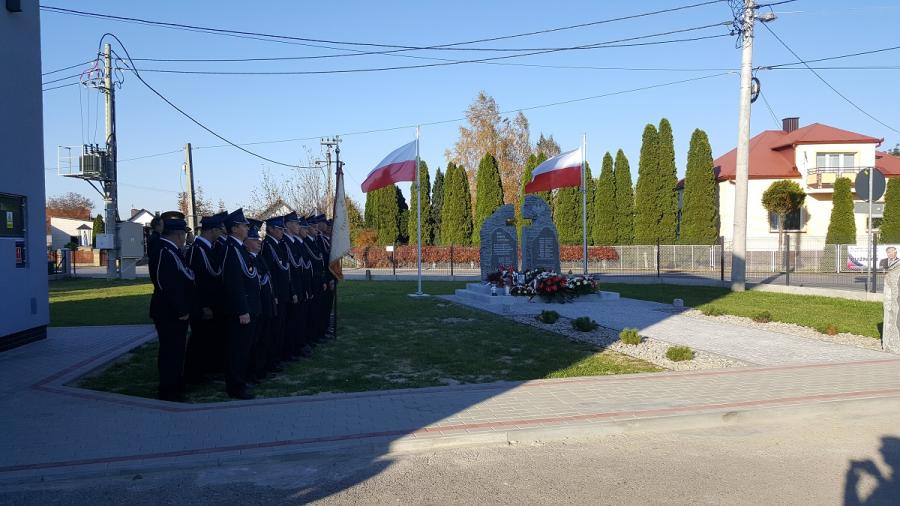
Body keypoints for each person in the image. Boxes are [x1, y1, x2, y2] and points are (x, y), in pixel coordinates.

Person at [148, 215, 195, 402]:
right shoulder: (164, 251)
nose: (185, 237)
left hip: (175, 310)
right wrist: (181, 309)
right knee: (170, 351)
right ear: (178, 234)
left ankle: (176, 384)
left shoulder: (172, 250)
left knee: (177, 350)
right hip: (169, 311)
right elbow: (166, 284)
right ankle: (168, 390)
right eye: (184, 234)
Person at [220, 208, 260, 400]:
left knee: (244, 348)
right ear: (234, 228)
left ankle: (240, 381)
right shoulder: (231, 249)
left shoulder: (239, 248)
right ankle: (235, 386)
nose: (247, 228)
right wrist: (242, 310)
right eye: (244, 225)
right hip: (240, 310)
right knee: (237, 349)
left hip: (248, 306)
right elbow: (234, 283)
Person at [184, 213, 225, 383]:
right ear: (212, 230)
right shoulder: (197, 250)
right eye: (220, 230)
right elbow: (195, 282)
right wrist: (202, 306)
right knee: (200, 340)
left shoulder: (210, 248)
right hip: (204, 305)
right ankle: (195, 374)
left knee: (211, 339)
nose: (222, 233)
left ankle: (210, 370)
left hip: (214, 303)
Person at [245, 219, 275, 384]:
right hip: (256, 306)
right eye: (254, 239)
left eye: (259, 238)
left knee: (263, 339)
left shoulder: (258, 258)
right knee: (253, 342)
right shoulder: (247, 259)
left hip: (265, 305)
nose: (259, 241)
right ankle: (251, 373)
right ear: (246, 242)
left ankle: (260, 370)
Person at [261, 216, 292, 373]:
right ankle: (271, 361)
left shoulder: (278, 245)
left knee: (280, 328)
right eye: (279, 229)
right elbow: (269, 274)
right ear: (271, 229)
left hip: (282, 293)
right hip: (276, 295)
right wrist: (274, 295)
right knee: (274, 330)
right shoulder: (268, 246)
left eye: (282, 229)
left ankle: (277, 358)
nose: (282, 232)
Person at [283, 212, 313, 359]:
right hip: (293, 289)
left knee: (299, 319)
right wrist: (294, 291)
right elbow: (289, 271)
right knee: (293, 321)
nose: (298, 226)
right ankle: (292, 349)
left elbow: (302, 268)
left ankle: (298, 346)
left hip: (300, 287)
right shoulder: (286, 243)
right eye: (295, 223)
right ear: (288, 225)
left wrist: (305, 289)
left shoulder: (294, 243)